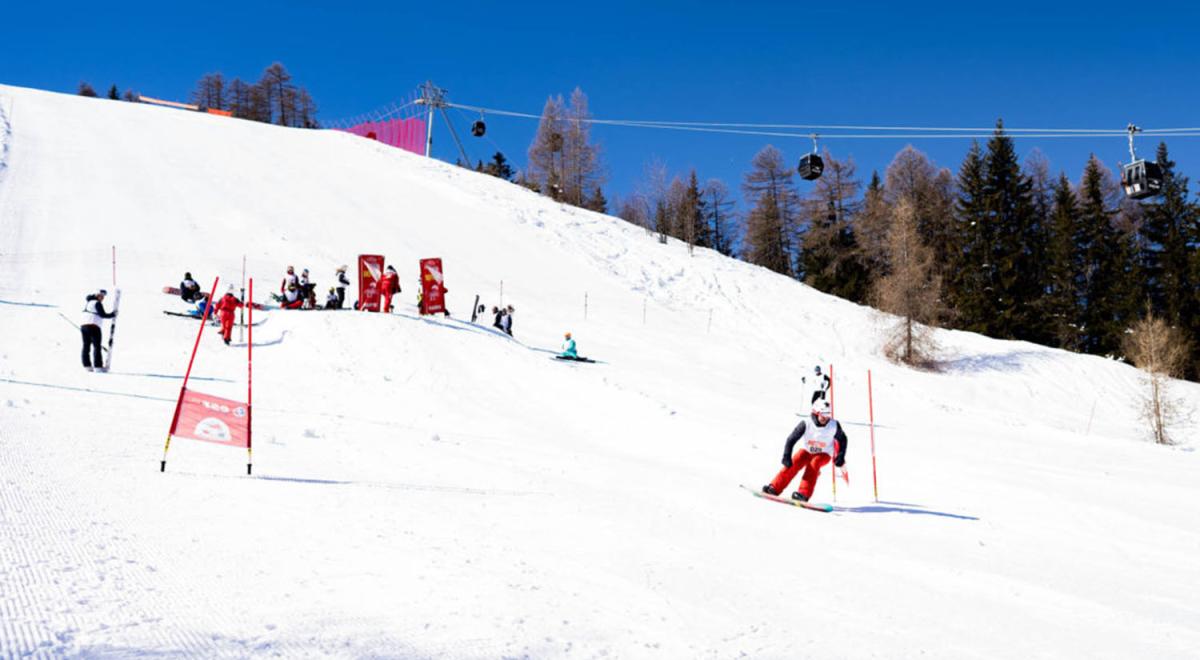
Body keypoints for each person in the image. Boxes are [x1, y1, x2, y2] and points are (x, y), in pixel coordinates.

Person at [762, 399, 848, 502]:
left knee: (814, 463)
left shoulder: (833, 425)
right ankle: (774, 488)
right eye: (823, 414)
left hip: (824, 454)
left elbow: (843, 439)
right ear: (816, 413)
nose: (826, 418)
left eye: (828, 414)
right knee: (795, 461)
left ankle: (803, 494)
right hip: (807, 451)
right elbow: (791, 439)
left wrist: (841, 455)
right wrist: (786, 455)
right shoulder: (806, 423)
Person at [80, 289, 117, 371]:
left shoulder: (89, 303)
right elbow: (102, 314)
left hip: (84, 326)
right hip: (93, 326)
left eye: (103, 296)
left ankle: (87, 366)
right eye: (100, 295)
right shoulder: (96, 303)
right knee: (97, 346)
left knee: (86, 346)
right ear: (96, 295)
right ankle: (98, 366)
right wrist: (113, 314)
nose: (102, 298)